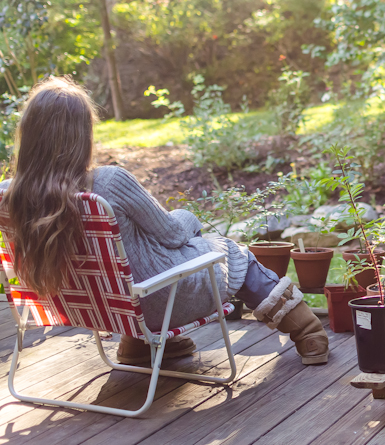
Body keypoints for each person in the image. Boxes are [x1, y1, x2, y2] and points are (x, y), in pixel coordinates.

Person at [0, 77, 327, 365]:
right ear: (80, 135)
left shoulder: (9, 195)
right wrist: (188, 217)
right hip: (155, 303)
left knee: (161, 250)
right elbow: (172, 236)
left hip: (86, 308)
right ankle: (310, 333)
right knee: (228, 250)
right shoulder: (109, 182)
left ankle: (142, 346)